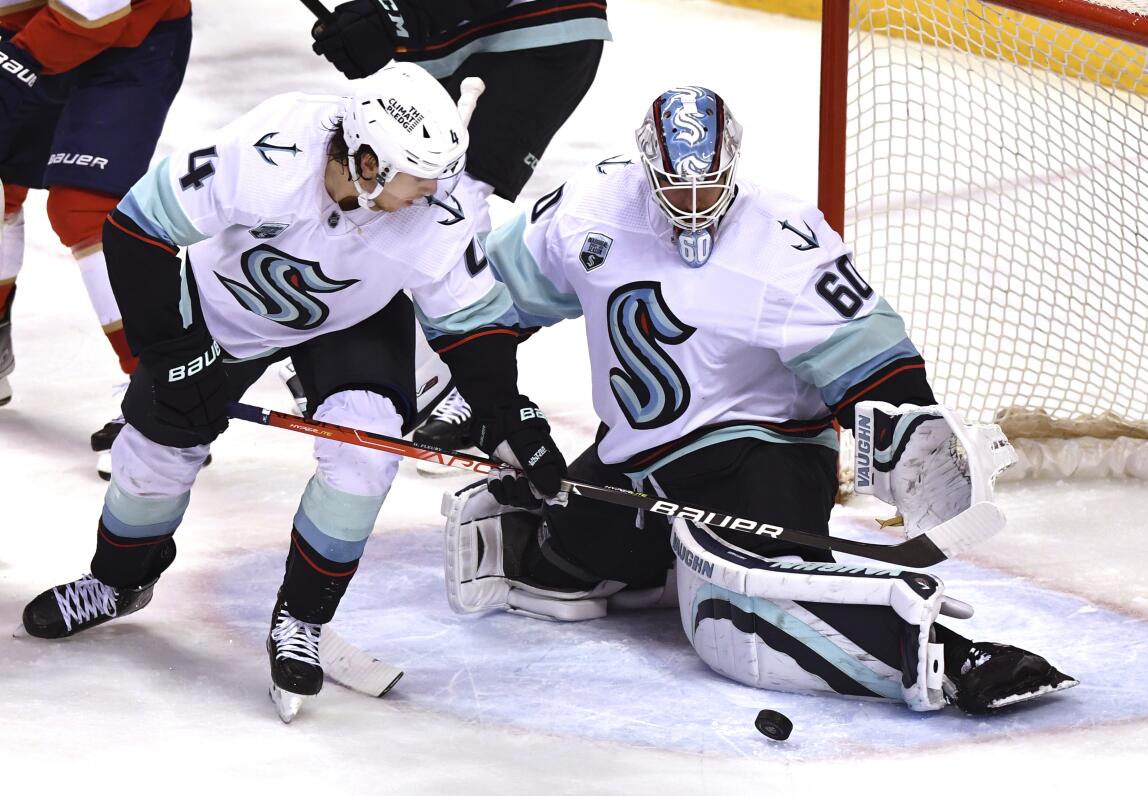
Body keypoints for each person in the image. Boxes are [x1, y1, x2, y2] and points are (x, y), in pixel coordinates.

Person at [441, 86, 1078, 714]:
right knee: (551, 564)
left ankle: (957, 658)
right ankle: (667, 560)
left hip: (761, 452)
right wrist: (460, 389)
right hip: (639, 465)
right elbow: (480, 294)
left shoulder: (782, 238)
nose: (693, 206)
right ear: (646, 166)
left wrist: (911, 434)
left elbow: (870, 354)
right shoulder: (590, 204)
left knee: (754, 611)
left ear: (732, 166)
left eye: (708, 187)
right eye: (675, 187)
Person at [18, 64, 568, 722]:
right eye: (417, 175)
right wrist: (171, 352)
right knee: (154, 452)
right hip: (225, 314)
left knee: (367, 452)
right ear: (365, 162)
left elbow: (475, 332)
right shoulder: (268, 149)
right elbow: (137, 227)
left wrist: (517, 422)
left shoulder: (436, 210)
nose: (435, 191)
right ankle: (118, 581)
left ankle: (302, 618)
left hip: (353, 321)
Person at [310, 0, 610, 451]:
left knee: (449, 188)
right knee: (399, 176)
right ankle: (386, 345)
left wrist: (396, 14)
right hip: (449, 35)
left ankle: (458, 381)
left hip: (536, 28)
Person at [0, 0, 192, 477]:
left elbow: (94, 8)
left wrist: (20, 59)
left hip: (130, 37)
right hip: (20, 30)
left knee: (85, 208)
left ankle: (163, 399)